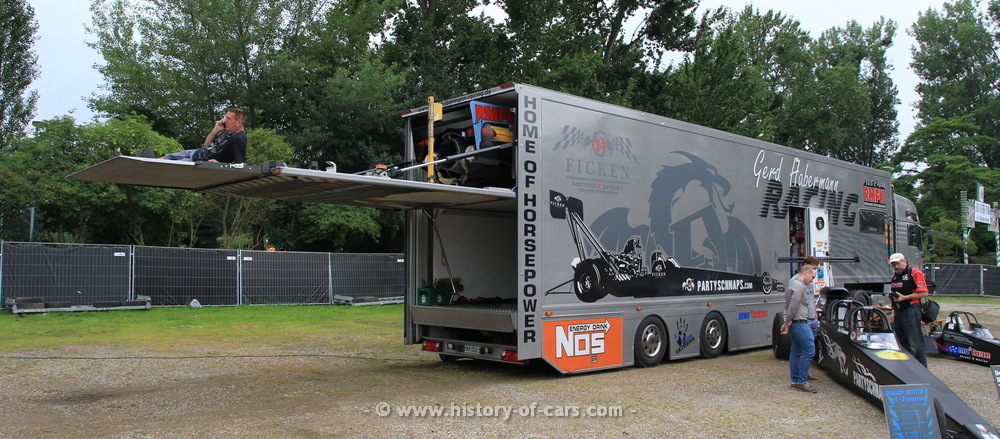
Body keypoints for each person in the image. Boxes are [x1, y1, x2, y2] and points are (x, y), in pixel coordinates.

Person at [163, 107, 248, 163]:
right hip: (195, 153)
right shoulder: (227, 130)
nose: (224, 120)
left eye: (228, 118)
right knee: (164, 158)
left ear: (238, 122)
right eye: (225, 117)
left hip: (197, 163)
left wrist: (219, 165)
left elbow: (240, 165)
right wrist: (216, 130)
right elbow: (206, 145)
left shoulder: (239, 138)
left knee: (166, 165)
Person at [888, 252, 930, 367]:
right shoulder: (895, 276)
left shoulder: (914, 272)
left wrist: (905, 298)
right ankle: (907, 367)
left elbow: (924, 293)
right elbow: (894, 295)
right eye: (893, 265)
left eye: (898, 264)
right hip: (898, 311)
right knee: (901, 342)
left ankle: (921, 369)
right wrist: (893, 311)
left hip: (911, 309)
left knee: (915, 342)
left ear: (904, 261)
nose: (896, 267)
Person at [783, 264, 819, 393]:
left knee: (795, 351)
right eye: (812, 277)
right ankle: (802, 381)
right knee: (809, 350)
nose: (812, 280)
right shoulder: (799, 285)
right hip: (800, 322)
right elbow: (792, 306)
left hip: (796, 322)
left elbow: (787, 306)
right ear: (806, 272)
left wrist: (786, 321)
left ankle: (795, 380)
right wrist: (787, 322)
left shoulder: (794, 284)